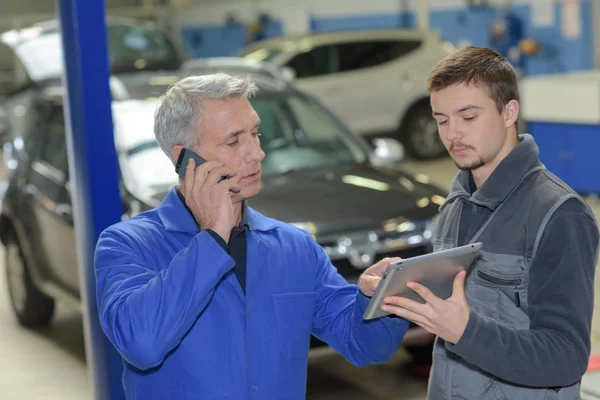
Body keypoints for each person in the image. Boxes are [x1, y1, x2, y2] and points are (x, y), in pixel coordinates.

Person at [94, 73, 409, 399]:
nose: (257, 153)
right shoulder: (127, 245)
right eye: (234, 141)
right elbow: (141, 343)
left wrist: (382, 299)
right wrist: (213, 236)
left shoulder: (292, 247)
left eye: (255, 134)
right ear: (184, 158)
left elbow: (364, 344)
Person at [382, 46, 599, 399]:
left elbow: (566, 356)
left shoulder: (559, 214)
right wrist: (397, 288)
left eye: (468, 117)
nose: (452, 135)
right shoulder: (455, 203)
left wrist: (467, 332)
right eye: (441, 120)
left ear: (509, 111)